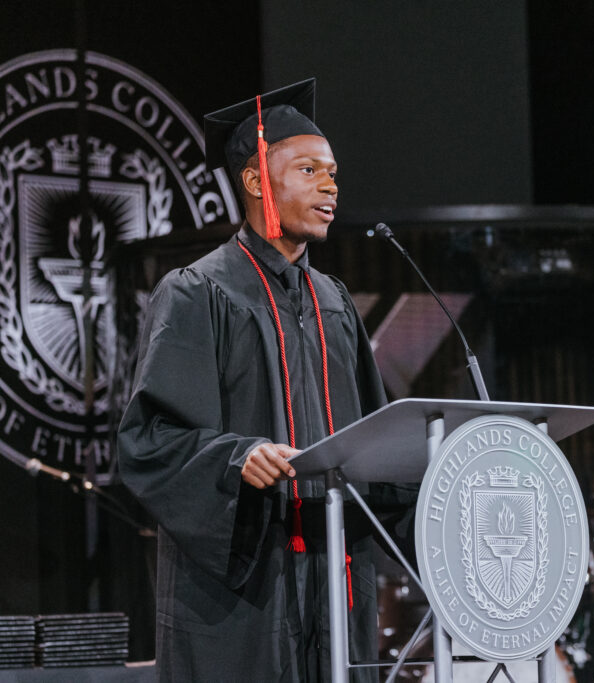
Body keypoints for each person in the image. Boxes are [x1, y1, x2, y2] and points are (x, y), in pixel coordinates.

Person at [117, 79, 411, 682]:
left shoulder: (335, 303)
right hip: (242, 591)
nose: (331, 186)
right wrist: (236, 457)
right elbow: (149, 439)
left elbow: (371, 443)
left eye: (333, 172)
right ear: (255, 181)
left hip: (334, 582)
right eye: (309, 170)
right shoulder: (198, 292)